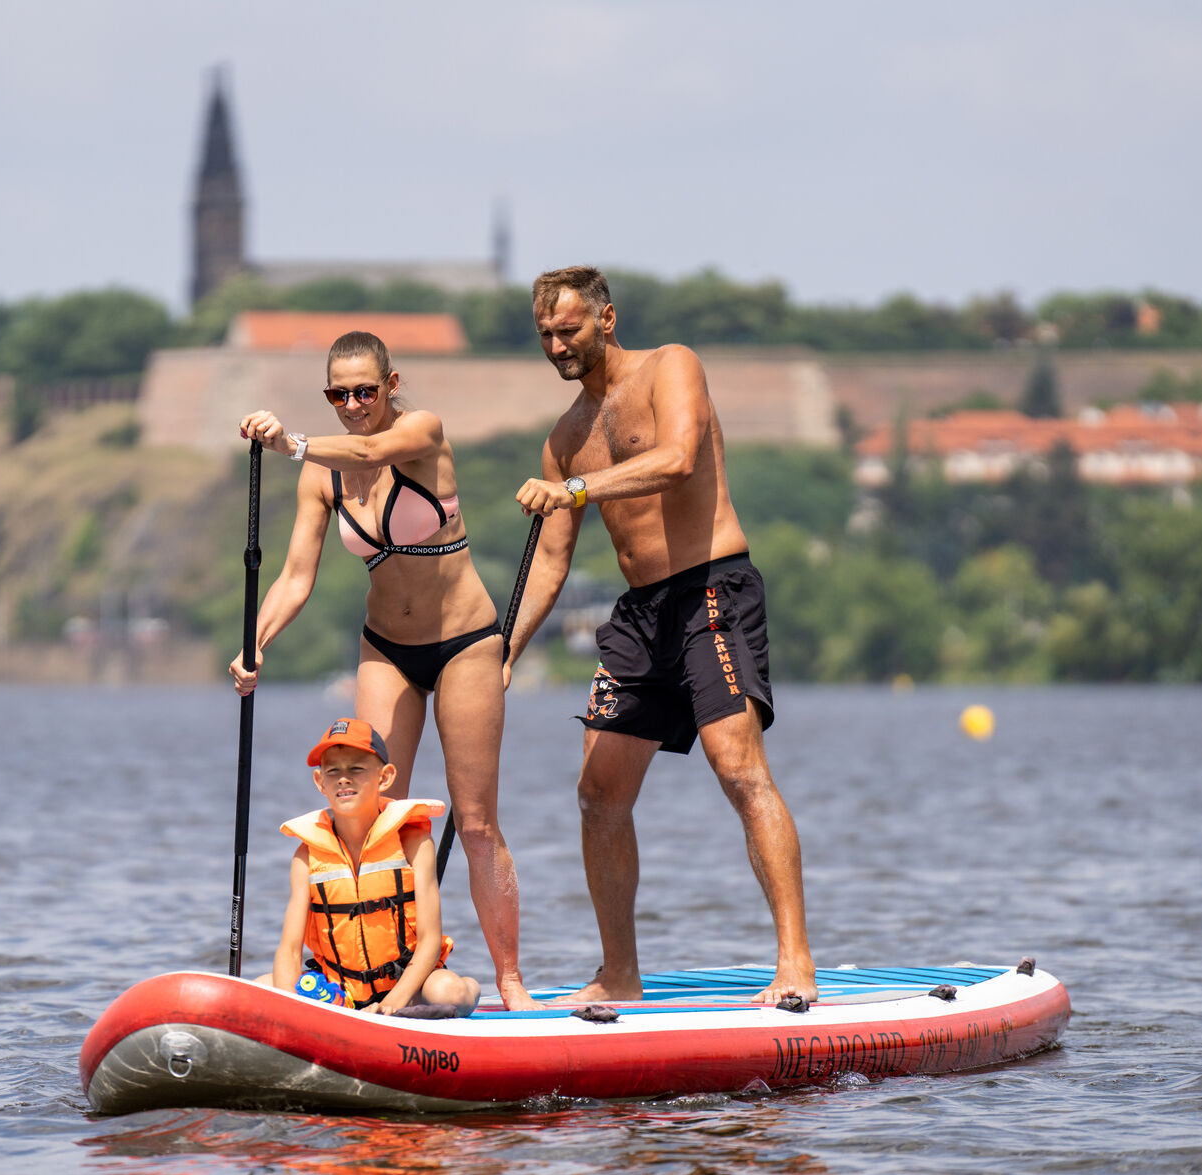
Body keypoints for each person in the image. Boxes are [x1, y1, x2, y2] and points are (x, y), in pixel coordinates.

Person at [505, 265, 818, 1007]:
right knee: (598, 793)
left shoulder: (672, 366)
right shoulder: (565, 438)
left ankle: (795, 963)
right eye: (546, 334)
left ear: (607, 319)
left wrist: (575, 488)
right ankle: (620, 973)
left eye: (570, 329)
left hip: (712, 588)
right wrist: (504, 648)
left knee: (737, 768)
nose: (558, 345)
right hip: (640, 614)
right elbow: (551, 560)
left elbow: (677, 459)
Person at [231, 330, 541, 1010]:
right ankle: (379, 981)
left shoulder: (422, 432)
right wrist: (255, 644)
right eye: (337, 395)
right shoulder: (322, 475)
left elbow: (372, 451)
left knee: (476, 822)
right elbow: (294, 577)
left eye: (364, 391)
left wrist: (291, 442)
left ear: (391, 385)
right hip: (387, 648)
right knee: (372, 819)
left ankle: (512, 983)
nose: (352, 405)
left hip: (465, 642)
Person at [258, 718, 480, 1017]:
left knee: (449, 992)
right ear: (320, 781)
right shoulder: (306, 856)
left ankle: (468, 989)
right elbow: (289, 949)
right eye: (333, 771)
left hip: (409, 987)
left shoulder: (414, 843)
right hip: (338, 991)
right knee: (262, 986)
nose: (343, 779)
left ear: (385, 777)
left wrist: (393, 1002)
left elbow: (430, 940)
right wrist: (291, 1010)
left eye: (356, 769)